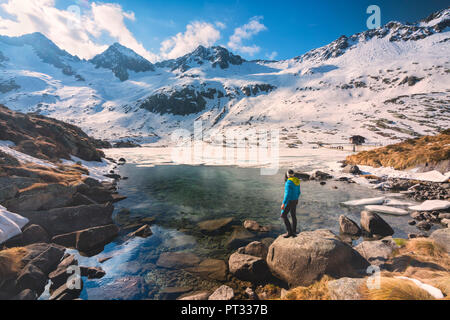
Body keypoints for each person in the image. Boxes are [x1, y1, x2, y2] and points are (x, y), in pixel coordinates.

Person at [281, 169, 301, 238]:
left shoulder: (288, 182)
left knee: (283, 215)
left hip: (290, 201)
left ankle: (289, 232)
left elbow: (287, 194)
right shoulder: (297, 180)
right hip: (295, 200)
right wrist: (296, 198)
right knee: (293, 215)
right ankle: (294, 231)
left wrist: (283, 203)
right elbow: (299, 192)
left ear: (287, 175)